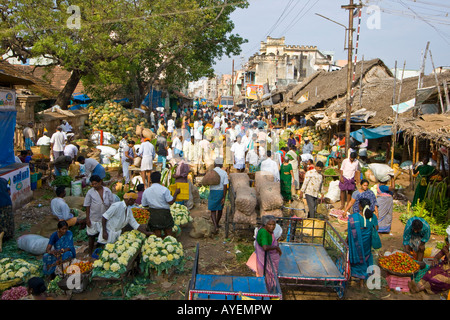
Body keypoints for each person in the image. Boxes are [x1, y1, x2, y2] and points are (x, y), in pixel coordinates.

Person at [347, 198, 379, 288]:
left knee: (355, 259)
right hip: (367, 244)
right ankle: (362, 282)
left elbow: (350, 232)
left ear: (360, 206)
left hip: (355, 244)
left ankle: (351, 277)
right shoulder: (373, 217)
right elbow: (376, 228)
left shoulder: (354, 218)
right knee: (365, 258)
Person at [141, 172, 180, 238]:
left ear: (150, 180)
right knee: (168, 233)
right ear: (160, 179)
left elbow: (144, 205)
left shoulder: (146, 191)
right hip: (164, 214)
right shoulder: (164, 189)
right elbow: (170, 202)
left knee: (157, 234)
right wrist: (176, 193)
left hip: (153, 214)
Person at [83, 175, 115, 256]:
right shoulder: (90, 192)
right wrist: (87, 218)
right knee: (91, 236)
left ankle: (102, 254)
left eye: (96, 184)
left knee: (104, 236)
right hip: (94, 217)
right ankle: (90, 253)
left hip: (105, 218)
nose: (94, 186)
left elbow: (112, 204)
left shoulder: (107, 191)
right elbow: (87, 205)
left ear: (100, 182)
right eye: (93, 184)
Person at [252, 215, 282, 288]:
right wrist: (276, 247)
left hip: (268, 256)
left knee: (269, 273)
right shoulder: (264, 233)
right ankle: (268, 289)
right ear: (265, 224)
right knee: (268, 273)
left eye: (273, 224)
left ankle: (268, 287)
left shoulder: (267, 230)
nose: (272, 227)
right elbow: (265, 247)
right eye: (269, 224)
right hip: (265, 257)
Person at [207, 158, 229, 234]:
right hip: (220, 192)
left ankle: (215, 226)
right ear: (221, 165)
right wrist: (224, 196)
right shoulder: (224, 173)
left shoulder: (211, 172)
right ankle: (217, 223)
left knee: (213, 210)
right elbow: (225, 185)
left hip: (213, 191)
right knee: (220, 209)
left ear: (214, 164)